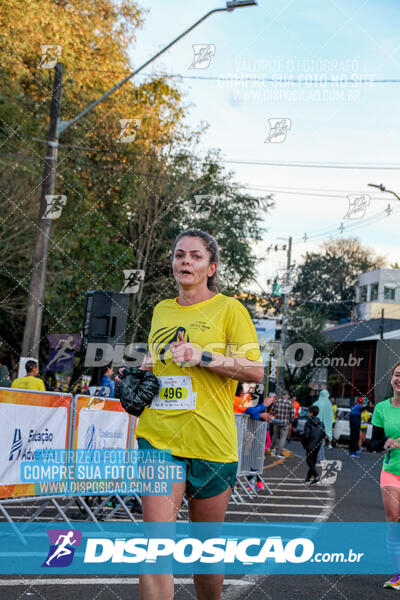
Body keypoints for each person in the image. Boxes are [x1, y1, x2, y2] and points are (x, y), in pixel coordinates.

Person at [133, 229, 264, 600]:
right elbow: (159, 363)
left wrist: (202, 356)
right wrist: (141, 376)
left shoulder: (230, 309)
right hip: (159, 437)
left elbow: (255, 371)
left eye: (194, 256)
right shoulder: (161, 310)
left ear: (211, 267)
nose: (185, 261)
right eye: (179, 255)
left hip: (211, 442)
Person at [371, 361, 400, 590]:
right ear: (391, 379)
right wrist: (385, 443)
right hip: (391, 471)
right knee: (393, 521)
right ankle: (397, 574)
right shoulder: (381, 408)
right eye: (397, 375)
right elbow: (374, 441)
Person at [302, 405, 325, 484]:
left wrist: (303, 443)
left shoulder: (308, 423)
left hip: (310, 444)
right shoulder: (321, 423)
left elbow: (306, 435)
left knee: (309, 460)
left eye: (309, 412)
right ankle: (308, 477)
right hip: (318, 444)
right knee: (313, 461)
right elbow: (323, 434)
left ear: (311, 413)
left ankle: (316, 476)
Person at [270, 390, 294, 459]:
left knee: (274, 436)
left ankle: (272, 450)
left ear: (282, 395)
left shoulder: (276, 401)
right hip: (285, 423)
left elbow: (272, 411)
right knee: (282, 438)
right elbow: (292, 415)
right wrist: (291, 421)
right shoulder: (290, 403)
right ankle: (279, 453)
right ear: (287, 396)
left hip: (277, 421)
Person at [313, 389, 333, 461]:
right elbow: (330, 418)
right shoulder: (329, 404)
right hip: (325, 427)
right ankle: (321, 458)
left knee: (318, 443)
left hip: (316, 426)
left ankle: (319, 459)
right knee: (321, 443)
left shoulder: (316, 403)